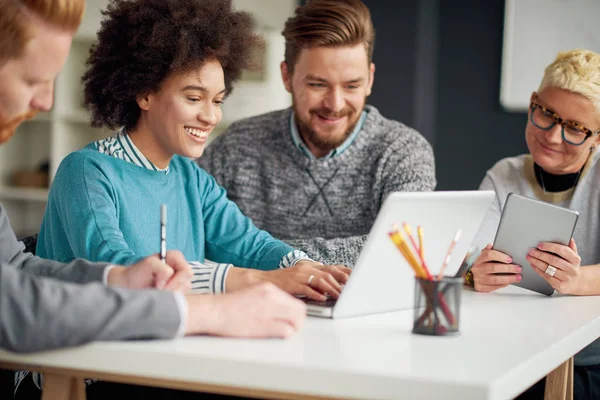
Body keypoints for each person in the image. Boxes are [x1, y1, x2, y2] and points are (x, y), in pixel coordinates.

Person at [1, 0, 308, 395]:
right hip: (86, 373)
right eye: (194, 98)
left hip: (155, 358)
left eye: (217, 100)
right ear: (145, 93)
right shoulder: (87, 171)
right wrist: (234, 280)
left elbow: (247, 243)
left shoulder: (190, 177)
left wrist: (304, 268)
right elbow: (113, 263)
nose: (210, 116)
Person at [197, 0, 436, 268]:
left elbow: (405, 249)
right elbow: (188, 231)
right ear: (287, 76)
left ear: (369, 79)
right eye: (317, 84)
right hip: (258, 306)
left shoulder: (403, 151)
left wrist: (253, 252)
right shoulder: (238, 144)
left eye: (351, 85)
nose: (335, 104)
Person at [467, 49, 600, 399]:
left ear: (598, 138)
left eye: (575, 128)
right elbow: (468, 257)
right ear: (532, 103)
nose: (554, 136)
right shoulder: (503, 174)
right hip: (513, 355)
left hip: (590, 364)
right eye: (547, 114)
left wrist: (578, 279)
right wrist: (474, 273)